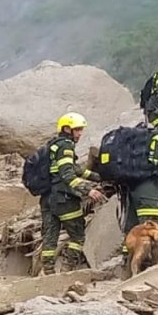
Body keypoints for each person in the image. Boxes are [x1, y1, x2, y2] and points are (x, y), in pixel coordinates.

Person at [40, 113, 104, 275]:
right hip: (64, 199)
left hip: (47, 199)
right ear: (67, 129)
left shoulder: (53, 145)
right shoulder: (66, 146)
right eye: (77, 130)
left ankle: (48, 273)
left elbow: (75, 169)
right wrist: (88, 190)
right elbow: (67, 174)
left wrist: (99, 176)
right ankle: (67, 270)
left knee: (50, 237)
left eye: (81, 130)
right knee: (78, 235)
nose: (80, 134)